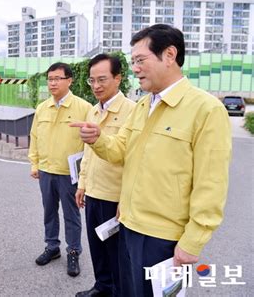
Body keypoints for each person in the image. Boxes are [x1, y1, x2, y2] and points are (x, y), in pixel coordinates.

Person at [70, 24, 231, 296]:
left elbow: (211, 184)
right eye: (133, 61)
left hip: (165, 237)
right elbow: (120, 150)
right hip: (129, 225)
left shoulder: (206, 109)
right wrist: (98, 139)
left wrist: (192, 241)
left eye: (140, 60)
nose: (135, 68)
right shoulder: (144, 105)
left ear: (169, 55)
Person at [75, 54, 135, 297]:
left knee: (118, 253)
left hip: (115, 195)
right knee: (97, 247)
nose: (96, 86)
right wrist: (82, 184)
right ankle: (102, 287)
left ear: (118, 78)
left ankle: (119, 292)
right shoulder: (93, 111)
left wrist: (126, 198)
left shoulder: (132, 111)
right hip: (94, 192)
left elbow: (133, 159)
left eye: (102, 79)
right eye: (91, 81)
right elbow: (88, 153)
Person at [28, 62, 92, 277]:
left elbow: (90, 145)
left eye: (57, 78)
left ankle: (73, 250)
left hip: (70, 173)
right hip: (46, 170)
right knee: (49, 211)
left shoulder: (84, 108)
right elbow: (34, 138)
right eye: (50, 79)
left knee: (71, 214)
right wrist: (34, 164)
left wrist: (84, 176)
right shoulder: (42, 108)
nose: (52, 83)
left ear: (69, 80)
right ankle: (52, 247)